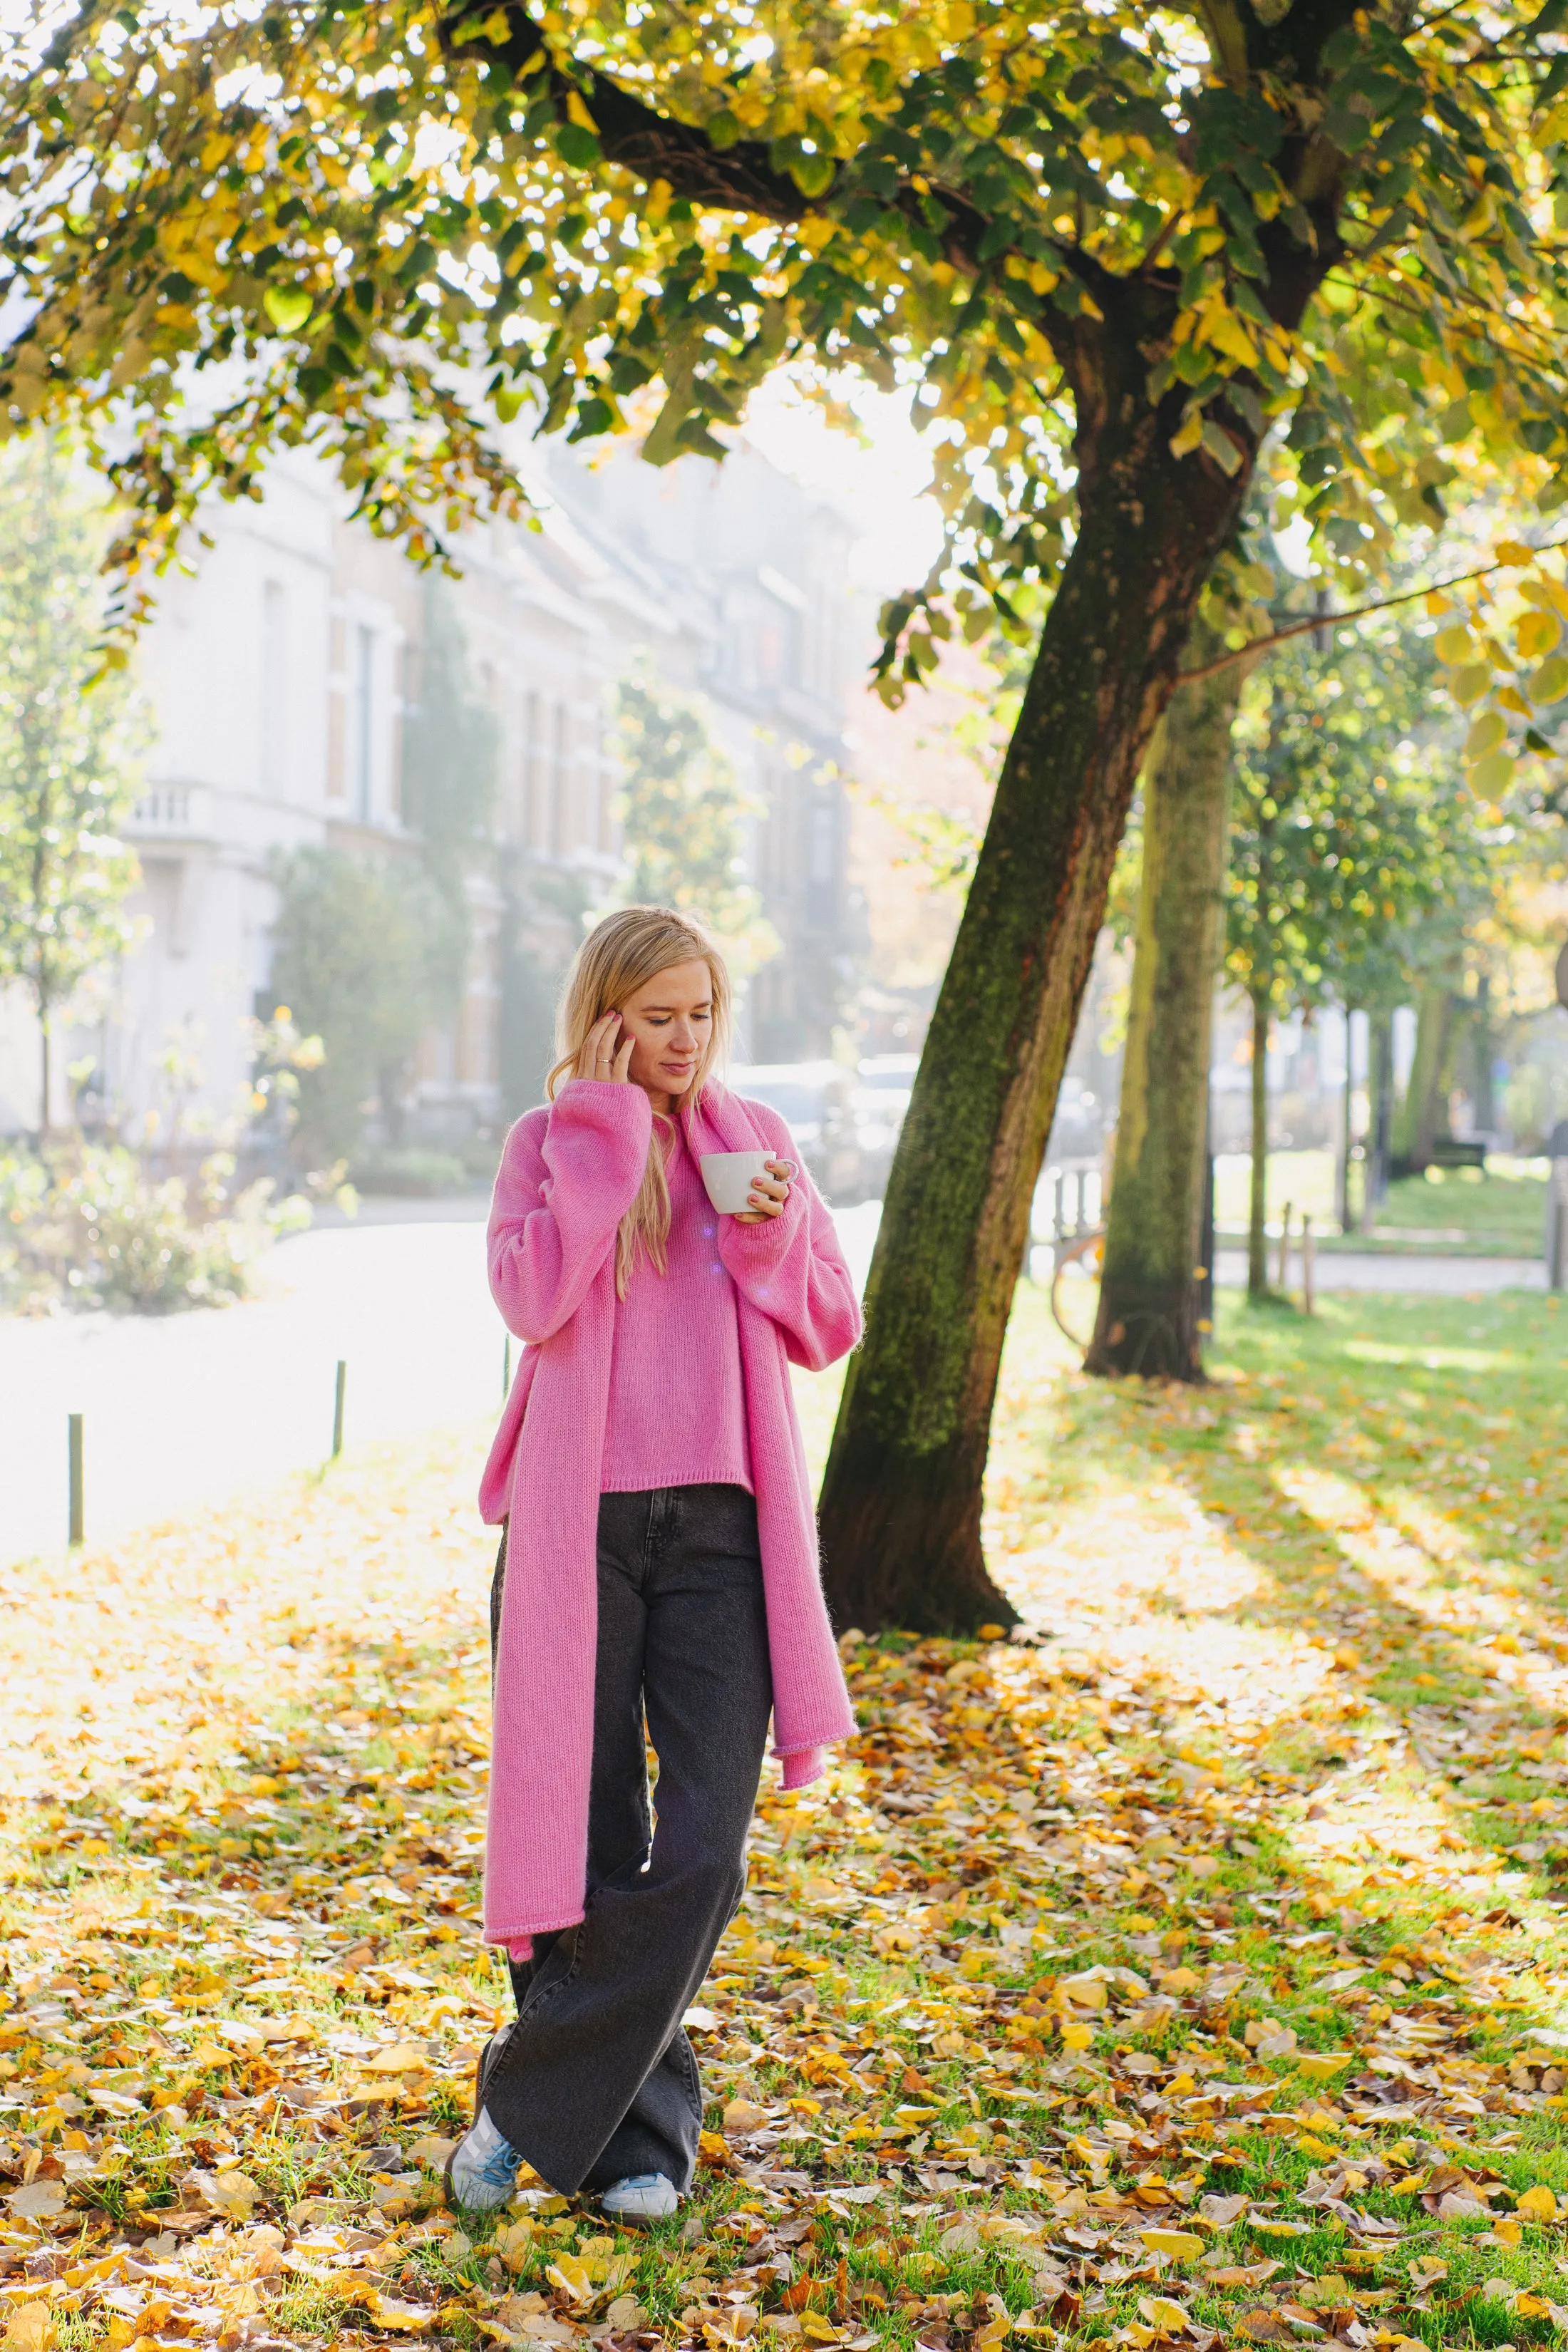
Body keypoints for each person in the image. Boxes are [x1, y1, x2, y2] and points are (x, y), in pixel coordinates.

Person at [446, 904, 861, 2223]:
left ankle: (520, 2104)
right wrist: (612, 1138)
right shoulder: (550, 1143)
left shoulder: (759, 1146)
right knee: (582, 1840)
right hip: (581, 1531)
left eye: (703, 1016)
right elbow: (529, 1302)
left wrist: (771, 1231)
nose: (686, 1042)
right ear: (609, 1017)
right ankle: (637, 2143)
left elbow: (828, 1323)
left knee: (703, 1851)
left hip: (721, 1535)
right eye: (660, 1017)